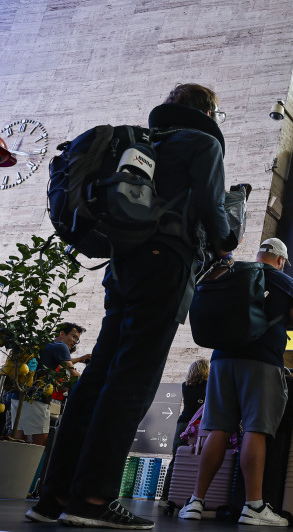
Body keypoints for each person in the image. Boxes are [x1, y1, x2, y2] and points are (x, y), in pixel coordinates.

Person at [27, 83, 239, 529]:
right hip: (167, 264)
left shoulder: (144, 141)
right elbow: (211, 207)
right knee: (133, 380)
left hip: (123, 265)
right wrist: (227, 241)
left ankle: (54, 496)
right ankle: (92, 498)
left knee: (99, 376)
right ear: (208, 113)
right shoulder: (202, 143)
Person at [178, 238, 293, 526]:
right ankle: (254, 506)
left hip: (221, 360)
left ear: (258, 256)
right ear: (281, 260)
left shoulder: (232, 272)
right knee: (256, 429)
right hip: (262, 362)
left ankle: (195, 502)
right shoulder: (284, 281)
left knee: (218, 429)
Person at [9, 323, 87, 446]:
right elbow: (73, 374)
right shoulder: (61, 346)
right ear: (62, 334)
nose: (75, 342)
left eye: (77, 339)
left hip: (18, 396)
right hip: (36, 399)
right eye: (74, 337)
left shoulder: (43, 344)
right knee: (40, 443)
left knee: (18, 441)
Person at [158, 358, 209, 503]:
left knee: (176, 459)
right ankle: (191, 497)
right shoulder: (208, 385)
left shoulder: (185, 385)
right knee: (198, 459)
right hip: (198, 424)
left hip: (183, 424)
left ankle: (165, 497)